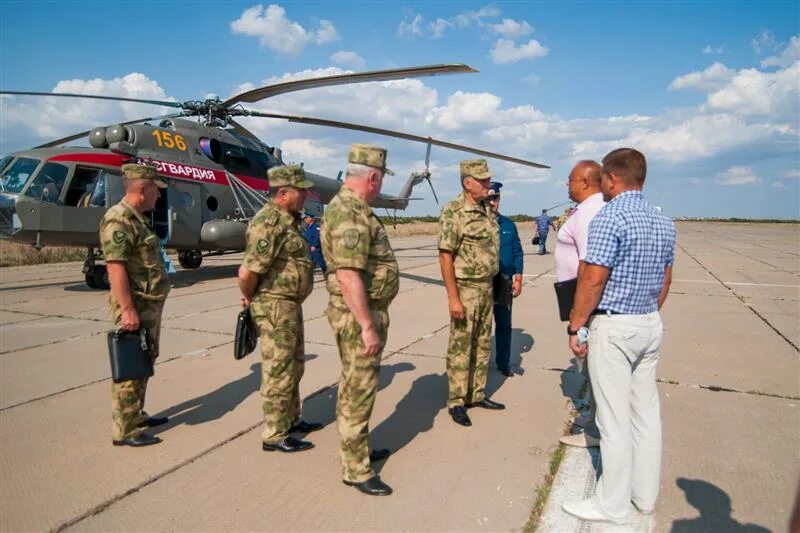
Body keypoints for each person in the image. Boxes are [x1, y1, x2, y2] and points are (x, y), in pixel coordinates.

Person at [562, 148, 676, 523]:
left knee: (613, 421)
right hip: (648, 322)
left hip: (614, 326)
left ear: (610, 179)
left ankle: (611, 505)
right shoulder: (663, 220)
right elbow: (665, 278)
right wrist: (647, 311)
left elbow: (593, 277)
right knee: (646, 414)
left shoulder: (610, 217)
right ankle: (644, 496)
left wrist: (577, 324)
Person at [321, 144, 398, 496]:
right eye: (380, 180)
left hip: (359, 311)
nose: (379, 187)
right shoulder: (351, 213)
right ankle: (356, 469)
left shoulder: (348, 208)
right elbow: (348, 275)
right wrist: (367, 325)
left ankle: (358, 450)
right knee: (359, 390)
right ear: (372, 177)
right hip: (357, 316)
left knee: (356, 386)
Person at [238, 165, 321, 453]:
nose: (306, 196)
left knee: (294, 365)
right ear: (283, 193)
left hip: (288, 306)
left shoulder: (289, 220)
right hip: (274, 306)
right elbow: (247, 273)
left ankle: (292, 419)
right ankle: (274, 434)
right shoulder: (269, 223)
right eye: (301, 191)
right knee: (278, 369)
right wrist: (252, 300)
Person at [99, 163, 171, 447]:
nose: (159, 196)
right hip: (136, 304)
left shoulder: (137, 218)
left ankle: (136, 414)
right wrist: (127, 309)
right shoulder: (119, 219)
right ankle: (125, 430)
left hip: (148, 303)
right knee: (130, 364)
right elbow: (115, 267)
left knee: (144, 359)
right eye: (156, 190)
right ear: (143, 189)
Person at [438, 159, 504, 428]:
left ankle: (476, 394)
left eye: (489, 180)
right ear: (468, 183)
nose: (488, 184)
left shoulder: (486, 208)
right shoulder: (454, 212)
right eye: (483, 180)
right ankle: (456, 400)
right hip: (465, 288)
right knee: (461, 347)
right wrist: (453, 297)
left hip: (486, 287)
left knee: (482, 343)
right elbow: (445, 257)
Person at [554, 160, 605, 449]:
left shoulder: (590, 212)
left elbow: (589, 266)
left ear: (585, 182)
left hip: (584, 300)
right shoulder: (589, 208)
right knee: (592, 366)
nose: (567, 185)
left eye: (571, 180)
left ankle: (596, 431)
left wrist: (578, 319)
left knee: (593, 365)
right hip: (579, 297)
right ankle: (595, 420)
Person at [485, 182, 523, 377]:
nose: (492, 202)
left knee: (504, 325)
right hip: (482, 282)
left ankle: (503, 363)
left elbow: (517, 251)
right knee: (481, 327)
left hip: (504, 281)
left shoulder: (508, 225)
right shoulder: (477, 225)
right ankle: (478, 365)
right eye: (489, 198)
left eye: (495, 198)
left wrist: (519, 277)